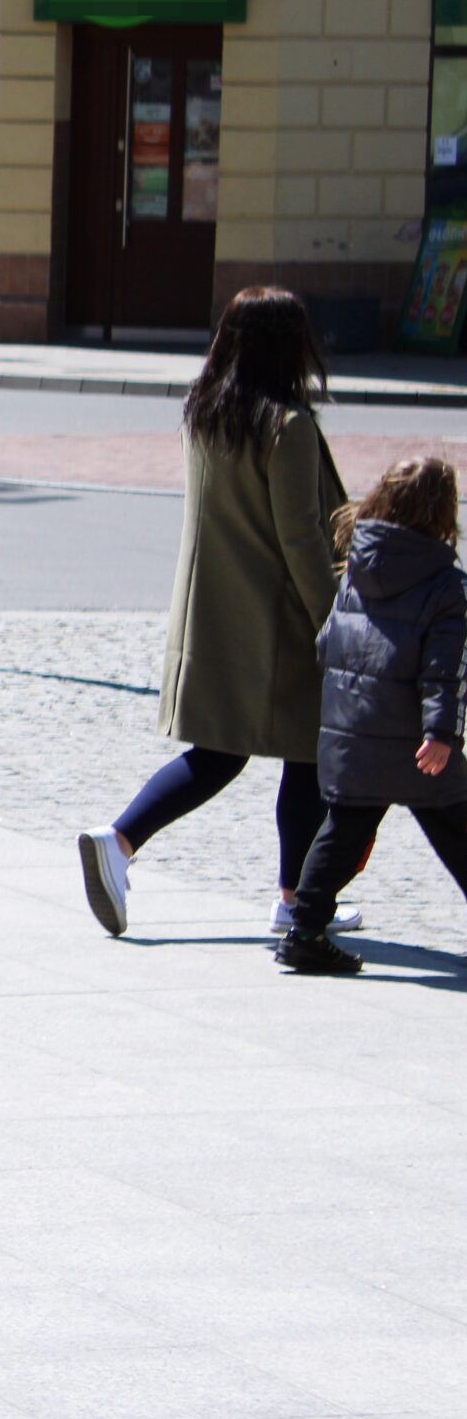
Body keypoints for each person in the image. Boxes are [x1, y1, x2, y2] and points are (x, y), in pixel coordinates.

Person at [77, 287, 353, 940]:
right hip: (279, 624)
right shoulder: (288, 428)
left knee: (222, 752)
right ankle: (293, 896)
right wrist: (334, 625)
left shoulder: (206, 414)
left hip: (214, 613)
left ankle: (119, 841)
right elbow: (302, 538)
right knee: (308, 751)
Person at [278, 457, 467, 974]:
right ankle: (306, 931)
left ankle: (305, 930)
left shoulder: (358, 566)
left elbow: (327, 645)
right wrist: (441, 729)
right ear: (441, 514)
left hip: (354, 727)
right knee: (458, 824)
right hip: (413, 738)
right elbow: (442, 669)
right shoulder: (444, 584)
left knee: (343, 830)